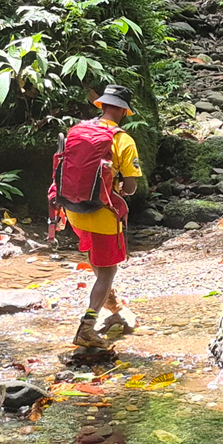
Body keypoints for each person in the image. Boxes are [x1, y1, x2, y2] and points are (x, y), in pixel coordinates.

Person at [51, 83, 142, 348]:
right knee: (107, 272)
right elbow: (132, 186)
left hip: (74, 209)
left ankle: (111, 303)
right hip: (103, 213)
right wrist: (124, 187)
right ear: (124, 111)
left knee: (95, 258)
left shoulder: (78, 130)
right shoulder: (122, 140)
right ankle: (87, 328)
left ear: (101, 105)